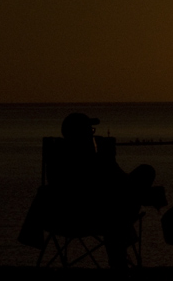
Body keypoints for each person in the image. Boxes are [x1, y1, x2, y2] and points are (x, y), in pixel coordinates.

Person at [19, 112, 156, 269]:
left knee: (120, 206)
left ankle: (140, 201)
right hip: (93, 217)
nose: (92, 133)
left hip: (64, 218)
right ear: (81, 133)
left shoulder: (58, 157)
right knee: (135, 187)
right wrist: (108, 159)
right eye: (90, 130)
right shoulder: (91, 159)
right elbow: (112, 182)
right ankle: (119, 266)